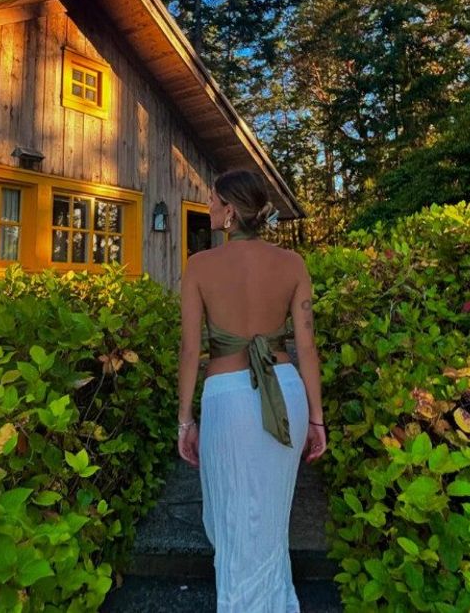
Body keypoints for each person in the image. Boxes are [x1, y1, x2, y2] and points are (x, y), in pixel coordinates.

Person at [175, 169, 327, 612]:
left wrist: (185, 420)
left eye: (211, 199)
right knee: (270, 524)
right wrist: (316, 418)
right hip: (288, 395)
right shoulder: (293, 264)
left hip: (228, 400)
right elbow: (307, 346)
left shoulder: (200, 266)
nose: (206, 207)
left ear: (229, 211)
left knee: (233, 520)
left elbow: (190, 349)